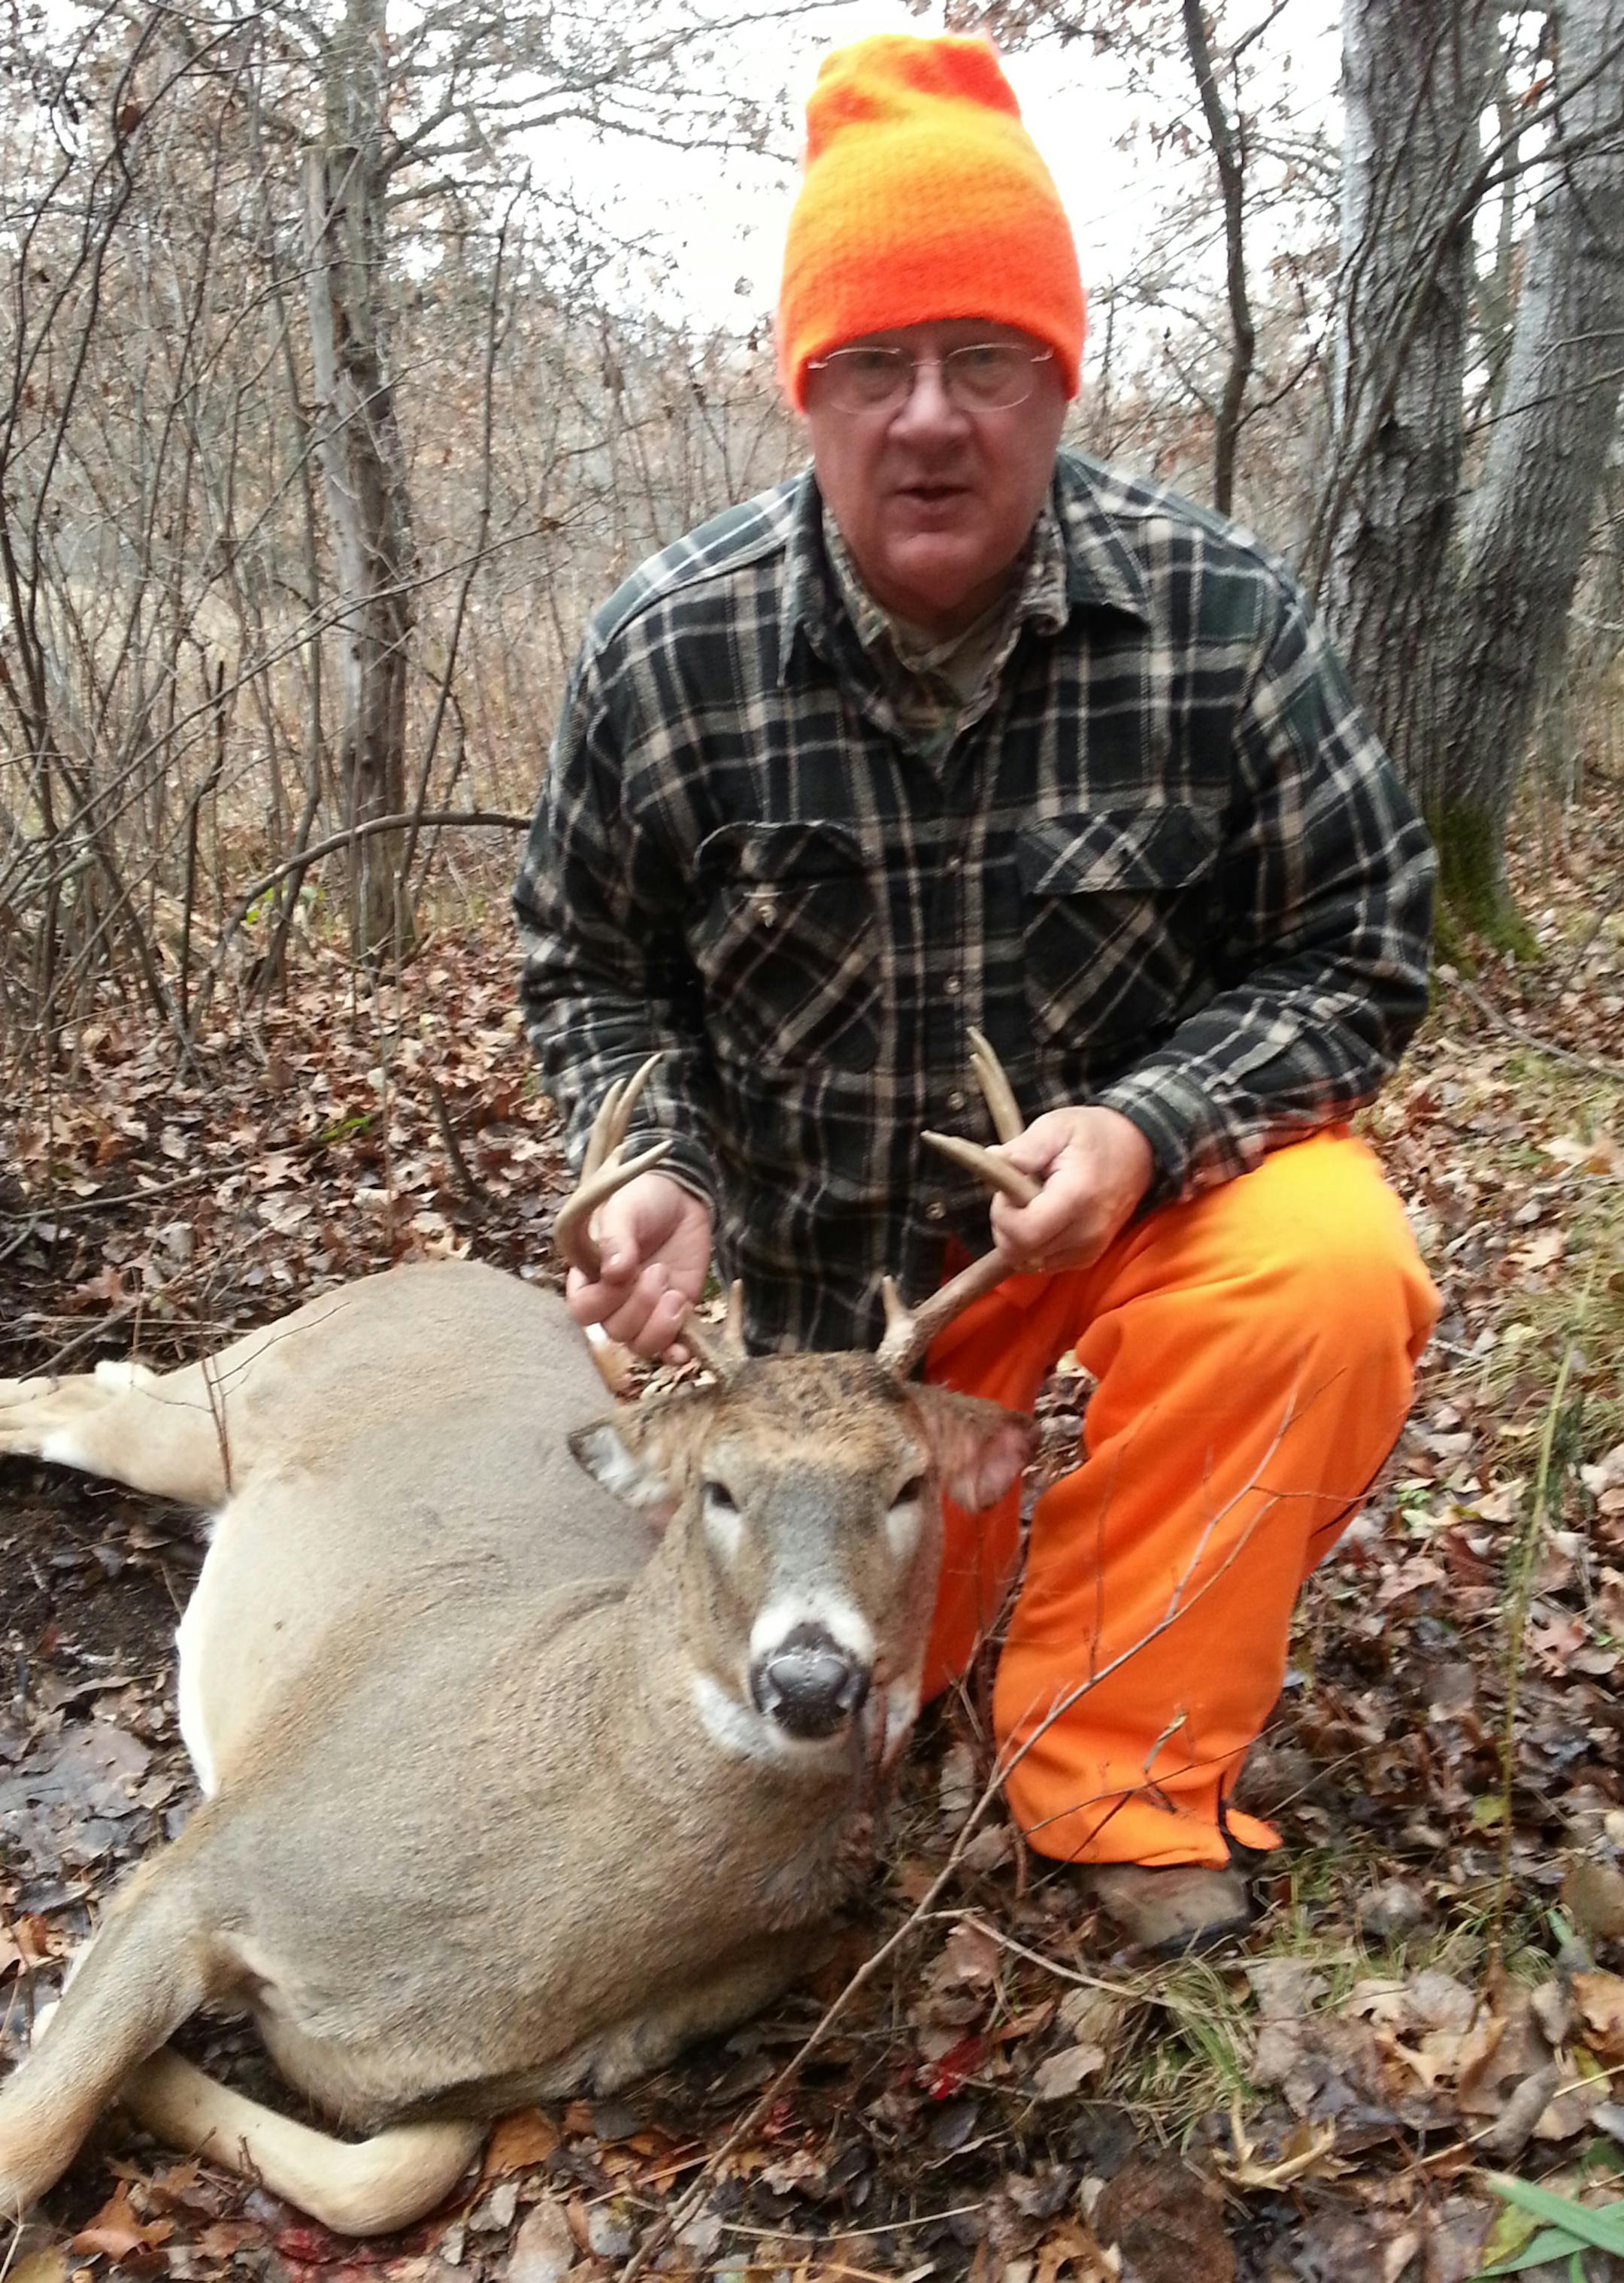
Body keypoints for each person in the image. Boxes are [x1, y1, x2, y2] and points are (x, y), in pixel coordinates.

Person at [514, 34, 1440, 1950]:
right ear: (811, 389)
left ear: (1058, 377)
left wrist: (1147, 1123)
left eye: (985, 359)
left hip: (1091, 1290)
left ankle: (1109, 1777)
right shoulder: (669, 656)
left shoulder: (1219, 623)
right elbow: (590, 971)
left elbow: (1363, 935)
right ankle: (922, 1632)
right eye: (873, 364)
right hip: (803, 1370)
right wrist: (654, 1167)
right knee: (731, 1677)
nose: (929, 418)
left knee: (1335, 1264)